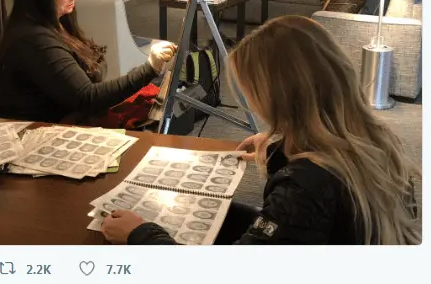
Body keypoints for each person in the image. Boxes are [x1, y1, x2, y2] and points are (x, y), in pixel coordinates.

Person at [101, 16, 420, 245]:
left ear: (277, 99)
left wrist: (140, 235)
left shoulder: (303, 189)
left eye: (249, 91)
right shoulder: (376, 140)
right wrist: (280, 147)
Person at [0, 0, 176, 124]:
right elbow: (87, 98)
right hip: (44, 131)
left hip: (67, 119)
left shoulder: (58, 20)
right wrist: (149, 68)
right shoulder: (35, 40)